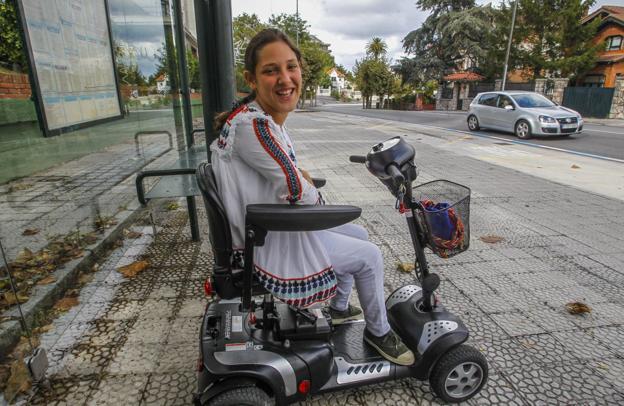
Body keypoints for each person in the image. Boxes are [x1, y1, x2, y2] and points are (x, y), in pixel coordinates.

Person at [211, 28, 414, 366]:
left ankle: (337, 309)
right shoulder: (256, 127)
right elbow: (297, 190)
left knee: (359, 235)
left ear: (301, 70)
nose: (285, 78)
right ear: (252, 79)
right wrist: (315, 196)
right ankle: (378, 333)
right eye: (271, 70)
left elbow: (287, 176)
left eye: (291, 67)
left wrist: (302, 181)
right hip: (267, 242)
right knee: (370, 255)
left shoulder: (251, 120)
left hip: (261, 228)